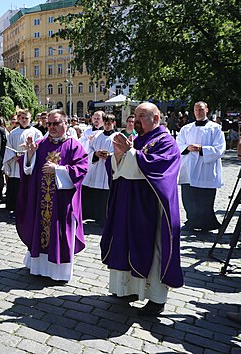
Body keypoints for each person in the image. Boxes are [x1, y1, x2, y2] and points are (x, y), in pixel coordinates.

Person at [101, 102, 183, 316]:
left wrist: (130, 155)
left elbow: (157, 169)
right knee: (127, 244)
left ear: (157, 118)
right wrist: (118, 156)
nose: (136, 120)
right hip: (130, 204)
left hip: (152, 208)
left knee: (154, 249)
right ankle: (128, 289)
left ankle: (156, 298)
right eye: (135, 116)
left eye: (142, 116)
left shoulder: (166, 142)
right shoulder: (137, 139)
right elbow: (122, 167)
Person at [16, 109, 88, 282]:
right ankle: (39, 266)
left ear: (66, 123)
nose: (52, 127)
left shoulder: (74, 145)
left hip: (62, 202)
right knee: (39, 228)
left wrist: (58, 170)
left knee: (60, 231)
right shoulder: (40, 144)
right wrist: (30, 156)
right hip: (40, 199)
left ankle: (58, 271)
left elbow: (82, 169)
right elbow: (27, 169)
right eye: (49, 124)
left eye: (56, 123)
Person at [176, 101, 225, 232]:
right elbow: (178, 145)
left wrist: (202, 149)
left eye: (201, 109)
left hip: (205, 168)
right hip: (189, 167)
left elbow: (220, 149)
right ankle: (191, 220)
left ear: (207, 110)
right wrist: (187, 148)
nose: (198, 112)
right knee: (189, 196)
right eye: (196, 110)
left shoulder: (215, 128)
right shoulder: (186, 128)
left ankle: (206, 223)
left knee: (205, 197)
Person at [2, 110, 43, 218]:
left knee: (28, 188)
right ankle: (16, 209)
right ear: (19, 119)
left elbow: (40, 148)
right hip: (16, 165)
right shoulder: (13, 133)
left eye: (27, 118)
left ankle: (29, 210)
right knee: (16, 189)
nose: (24, 120)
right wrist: (14, 157)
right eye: (22, 118)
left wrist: (27, 157)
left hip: (30, 165)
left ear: (31, 119)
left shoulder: (37, 133)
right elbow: (8, 147)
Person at [81, 114, 118, 225]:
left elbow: (121, 152)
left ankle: (105, 218)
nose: (107, 125)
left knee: (106, 195)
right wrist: (95, 154)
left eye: (109, 123)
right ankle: (93, 215)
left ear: (114, 123)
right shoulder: (97, 135)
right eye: (105, 123)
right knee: (94, 193)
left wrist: (110, 156)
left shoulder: (117, 136)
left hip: (108, 168)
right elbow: (90, 149)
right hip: (96, 167)